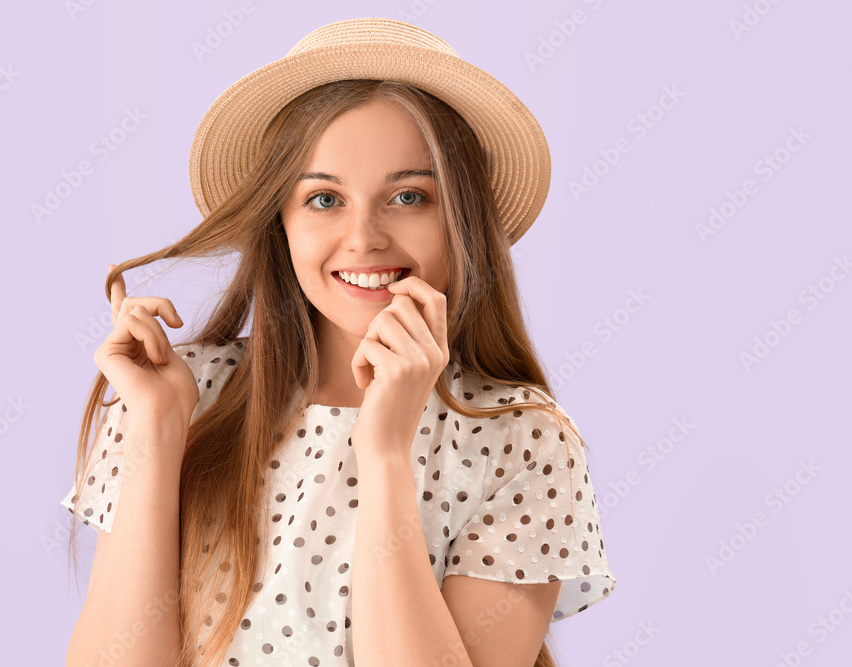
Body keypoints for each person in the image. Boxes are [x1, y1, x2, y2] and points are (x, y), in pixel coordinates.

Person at [60, 17, 617, 667]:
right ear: (280, 220)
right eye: (324, 199)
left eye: (409, 196)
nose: (364, 238)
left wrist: (384, 453)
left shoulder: (522, 437)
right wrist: (158, 432)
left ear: (461, 219)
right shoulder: (184, 396)